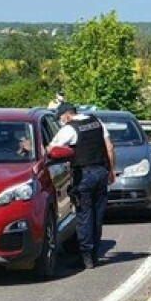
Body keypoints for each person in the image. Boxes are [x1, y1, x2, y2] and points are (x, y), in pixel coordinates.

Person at [48, 103, 115, 269]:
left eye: (61, 118)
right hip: (101, 172)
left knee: (84, 215)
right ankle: (94, 254)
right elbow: (110, 147)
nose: (61, 122)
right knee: (97, 215)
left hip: (84, 175)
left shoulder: (70, 129)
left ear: (67, 115)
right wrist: (111, 170)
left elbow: (51, 150)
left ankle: (86, 258)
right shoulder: (96, 121)